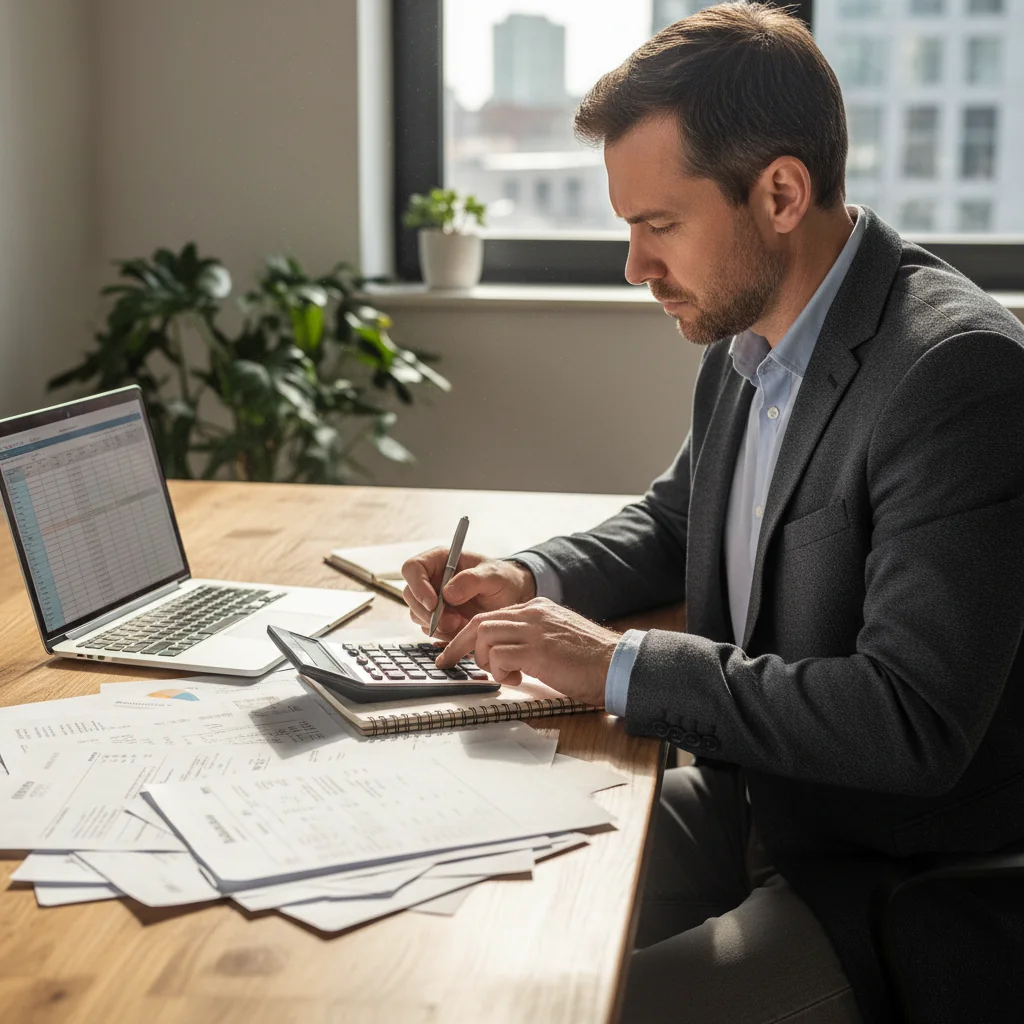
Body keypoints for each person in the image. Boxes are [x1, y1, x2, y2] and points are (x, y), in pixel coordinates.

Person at [401, 5, 1024, 1022]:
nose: (636, 269)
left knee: (568, 1010)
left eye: (658, 226)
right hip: (755, 803)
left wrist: (614, 665)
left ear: (780, 191)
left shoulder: (956, 374)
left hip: (890, 883)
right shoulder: (748, 337)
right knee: (457, 916)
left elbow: (910, 721)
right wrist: (530, 579)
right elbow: (678, 521)